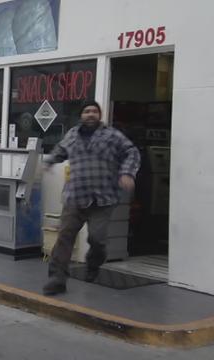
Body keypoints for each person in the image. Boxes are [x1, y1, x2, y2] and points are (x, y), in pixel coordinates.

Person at [42, 100, 141, 296]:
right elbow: (60, 151)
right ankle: (57, 278)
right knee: (65, 237)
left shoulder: (112, 135)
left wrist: (127, 173)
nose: (90, 114)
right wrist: (48, 162)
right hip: (75, 197)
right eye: (87, 111)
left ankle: (93, 264)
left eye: (94, 111)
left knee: (97, 239)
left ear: (99, 115)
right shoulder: (71, 134)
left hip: (103, 199)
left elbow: (132, 152)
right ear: (81, 115)